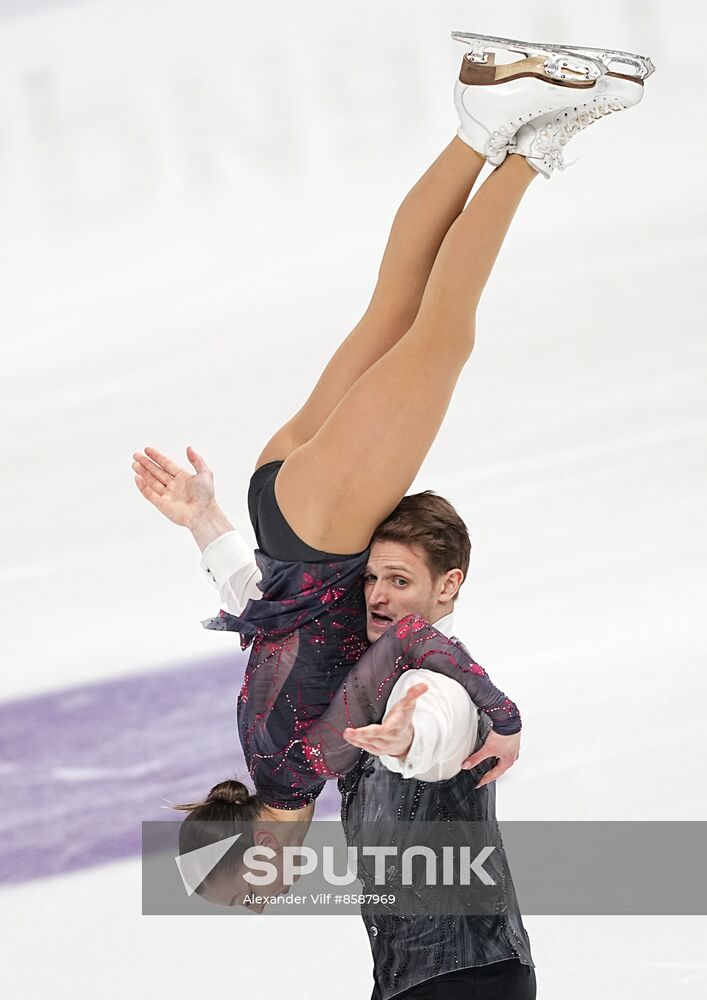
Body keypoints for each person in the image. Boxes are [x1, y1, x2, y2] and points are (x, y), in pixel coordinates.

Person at [133, 30, 650, 929]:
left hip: (327, 524)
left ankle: (524, 148)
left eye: (255, 888)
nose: (273, 892)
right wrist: (209, 521)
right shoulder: (265, 752)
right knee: (400, 309)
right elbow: (266, 611)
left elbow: (413, 642)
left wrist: (503, 714)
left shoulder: (301, 766)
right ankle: (488, 116)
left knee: (442, 332)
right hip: (282, 502)